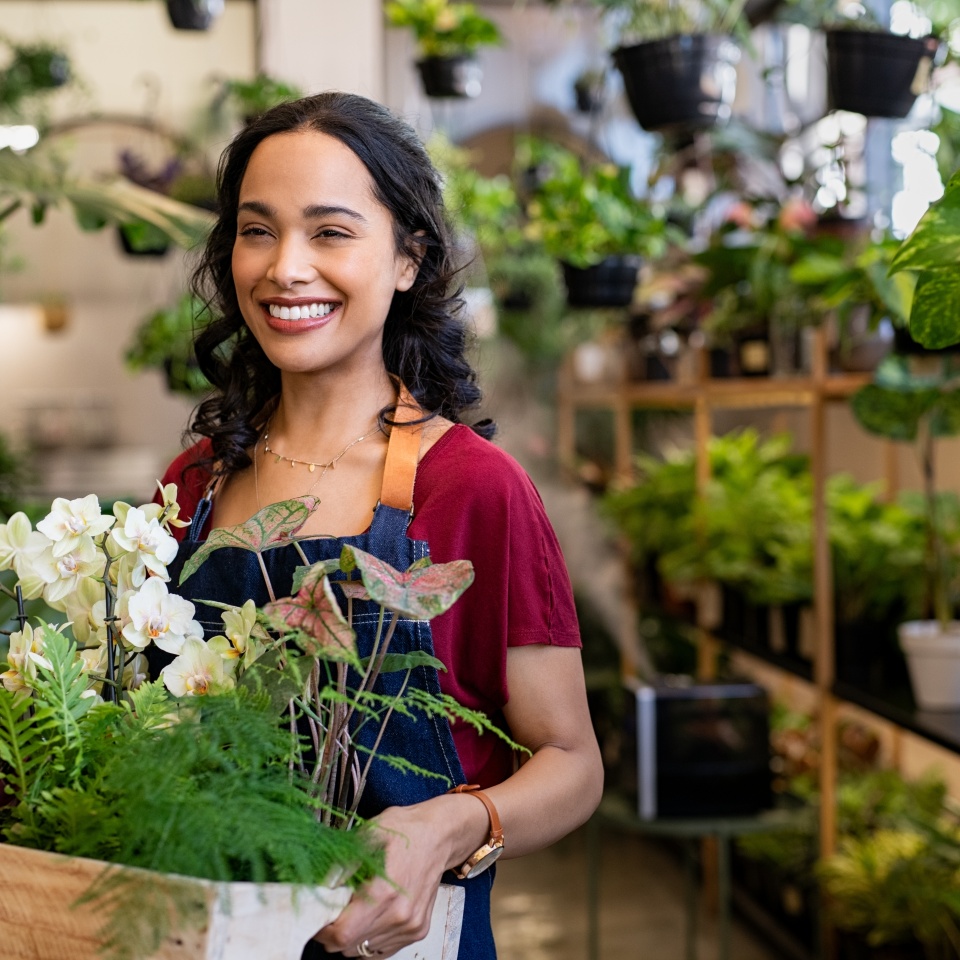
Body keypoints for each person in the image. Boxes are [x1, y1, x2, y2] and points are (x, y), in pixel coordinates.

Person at [152, 90, 604, 960]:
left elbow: (573, 764)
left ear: (406, 258)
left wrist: (454, 823)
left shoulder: (474, 488)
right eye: (257, 230)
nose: (286, 267)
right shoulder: (195, 485)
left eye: (330, 232)